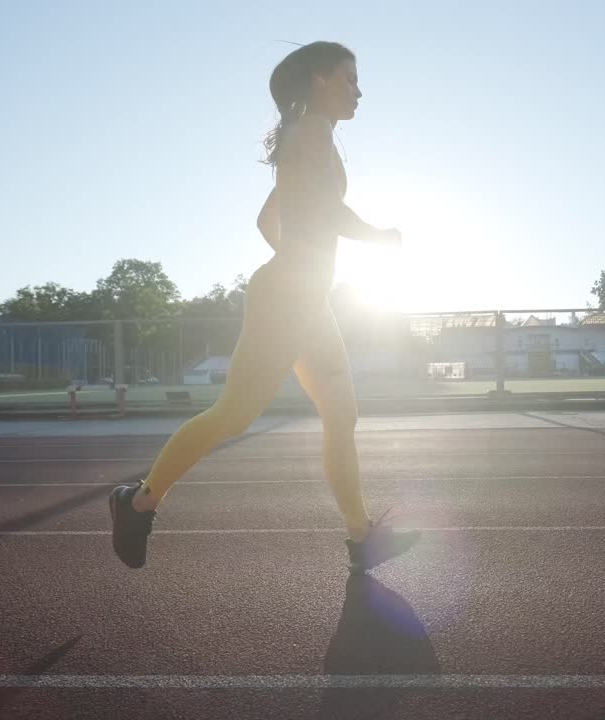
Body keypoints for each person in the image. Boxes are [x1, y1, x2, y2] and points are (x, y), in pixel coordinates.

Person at [109, 41, 419, 574]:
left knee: (341, 415)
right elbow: (325, 209)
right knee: (235, 414)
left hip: (305, 297)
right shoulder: (311, 134)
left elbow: (267, 220)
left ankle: (361, 535)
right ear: (320, 81)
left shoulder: (308, 140)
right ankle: (137, 501)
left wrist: (302, 263)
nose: (359, 90)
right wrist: (378, 236)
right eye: (350, 79)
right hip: (288, 297)